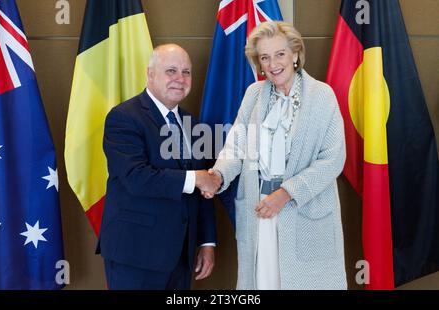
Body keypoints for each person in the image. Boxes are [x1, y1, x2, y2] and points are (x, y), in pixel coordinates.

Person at [207, 21, 347, 289]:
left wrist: (285, 193)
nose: (273, 64)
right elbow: (237, 145)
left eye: (279, 54)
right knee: (263, 283)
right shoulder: (254, 94)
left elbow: (333, 160)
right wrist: (218, 174)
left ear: (295, 54)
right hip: (259, 209)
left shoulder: (322, 96)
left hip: (301, 208)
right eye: (265, 57)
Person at [99, 44, 221, 290]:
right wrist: (196, 178)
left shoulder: (192, 124)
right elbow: (136, 177)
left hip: (181, 257)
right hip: (135, 255)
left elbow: (204, 188)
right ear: (150, 74)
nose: (180, 79)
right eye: (171, 71)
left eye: (186, 72)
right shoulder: (123, 117)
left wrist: (207, 242)